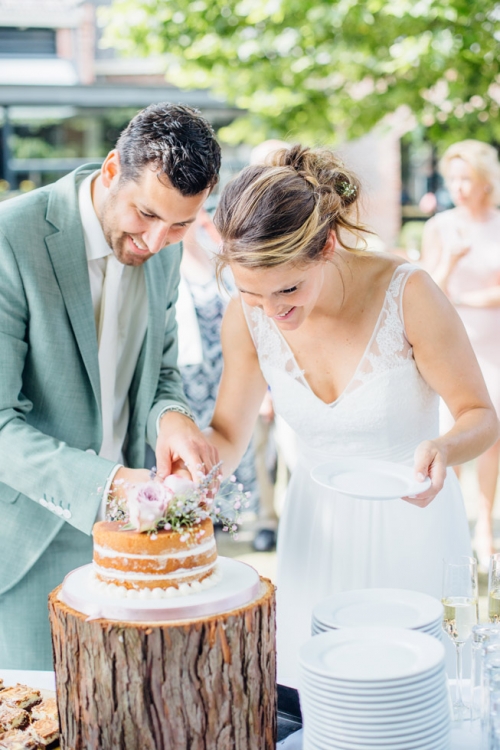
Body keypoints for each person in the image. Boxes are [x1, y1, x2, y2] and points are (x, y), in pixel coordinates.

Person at [203, 145, 499, 687]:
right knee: (317, 704)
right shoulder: (248, 317)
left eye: (288, 288)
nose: (273, 312)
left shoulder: (408, 294)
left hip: (415, 524)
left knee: (411, 703)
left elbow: (481, 415)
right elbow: (227, 435)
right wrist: (188, 466)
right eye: (251, 293)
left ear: (328, 246)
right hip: (315, 535)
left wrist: (445, 449)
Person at [0, 103, 220, 669]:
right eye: (145, 214)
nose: (156, 240)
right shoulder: (11, 238)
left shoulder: (165, 252)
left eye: (179, 225)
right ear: (110, 170)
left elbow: (161, 373)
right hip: (26, 540)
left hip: (130, 543)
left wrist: (171, 417)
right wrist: (108, 486)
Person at [421, 139, 500, 569]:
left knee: (490, 439)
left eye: (466, 177)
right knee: (449, 436)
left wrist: (466, 295)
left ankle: (485, 522)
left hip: (493, 345)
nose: (459, 186)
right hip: (451, 345)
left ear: (486, 180)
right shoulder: (440, 227)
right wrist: (450, 263)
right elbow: (428, 290)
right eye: (453, 178)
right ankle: (447, 523)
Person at [175, 207, 259, 509]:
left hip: (226, 364)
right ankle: (197, 504)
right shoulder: (168, 264)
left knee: (238, 435)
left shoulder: (216, 256)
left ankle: (232, 510)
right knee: (200, 440)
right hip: (190, 372)